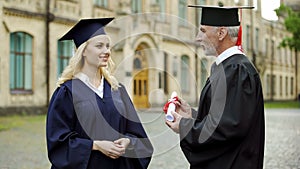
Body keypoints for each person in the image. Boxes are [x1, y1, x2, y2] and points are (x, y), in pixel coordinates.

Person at [165, 5, 265, 169]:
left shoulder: (237, 71)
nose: (198, 38)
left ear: (221, 33)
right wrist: (192, 114)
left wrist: (184, 125)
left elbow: (227, 128)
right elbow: (223, 116)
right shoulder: (225, 68)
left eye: (203, 31)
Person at [46, 17, 153, 169]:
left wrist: (128, 142)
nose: (107, 51)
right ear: (83, 51)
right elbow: (58, 143)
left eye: (108, 46)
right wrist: (95, 146)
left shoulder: (117, 90)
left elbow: (139, 137)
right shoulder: (67, 92)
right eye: (99, 46)